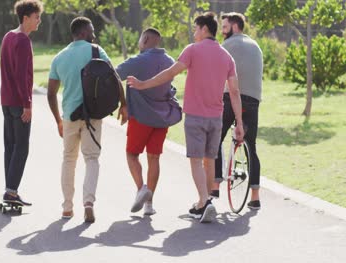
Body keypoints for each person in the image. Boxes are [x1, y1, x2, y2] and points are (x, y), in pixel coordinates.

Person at [127, 12, 244, 223]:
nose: (194, 33)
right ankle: (204, 203)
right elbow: (234, 92)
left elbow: (170, 74)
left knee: (196, 161)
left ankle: (204, 201)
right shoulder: (227, 57)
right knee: (210, 161)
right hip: (216, 118)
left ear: (204, 29)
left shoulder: (192, 50)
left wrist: (143, 85)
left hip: (196, 117)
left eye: (195, 29)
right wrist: (240, 123)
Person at [47, 16, 127, 222]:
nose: (94, 34)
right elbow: (115, 77)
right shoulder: (96, 51)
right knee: (91, 159)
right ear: (82, 32)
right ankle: (88, 202)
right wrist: (124, 104)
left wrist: (58, 119)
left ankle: (67, 207)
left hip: (70, 116)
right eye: (91, 31)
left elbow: (50, 92)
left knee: (68, 159)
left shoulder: (59, 57)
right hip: (93, 115)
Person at [116, 28, 181, 216]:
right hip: (162, 118)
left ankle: (141, 188)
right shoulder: (170, 61)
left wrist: (123, 104)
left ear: (144, 39)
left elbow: (113, 75)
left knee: (132, 155)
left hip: (140, 118)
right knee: (154, 158)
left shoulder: (137, 61)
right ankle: (149, 205)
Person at [211, 12, 263, 210]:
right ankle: (255, 197)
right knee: (252, 145)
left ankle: (215, 186)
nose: (222, 32)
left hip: (230, 97)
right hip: (253, 99)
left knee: (216, 136)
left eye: (224, 27)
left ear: (234, 26)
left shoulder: (226, 46)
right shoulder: (256, 46)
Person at [0, 0, 42, 206]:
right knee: (22, 147)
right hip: (19, 103)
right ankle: (11, 191)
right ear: (25, 18)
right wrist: (27, 104)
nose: (39, 21)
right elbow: (20, 76)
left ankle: (10, 190)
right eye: (36, 17)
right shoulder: (23, 41)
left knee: (10, 146)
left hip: (6, 101)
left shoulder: (8, 36)